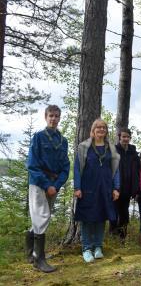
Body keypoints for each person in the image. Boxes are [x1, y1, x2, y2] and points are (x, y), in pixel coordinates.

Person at [26, 105, 70, 272]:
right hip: (38, 183)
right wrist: (46, 184)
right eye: (51, 115)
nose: (54, 118)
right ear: (46, 117)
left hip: (54, 184)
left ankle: (31, 253)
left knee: (41, 218)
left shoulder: (62, 141)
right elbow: (32, 164)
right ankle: (39, 259)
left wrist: (56, 185)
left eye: (56, 116)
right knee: (42, 217)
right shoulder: (38, 137)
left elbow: (66, 166)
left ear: (59, 118)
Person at [74, 119, 120, 263]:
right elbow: (76, 168)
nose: (101, 129)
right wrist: (77, 187)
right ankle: (87, 249)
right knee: (87, 219)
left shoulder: (111, 148)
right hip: (88, 188)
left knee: (101, 217)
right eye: (98, 127)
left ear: (106, 131)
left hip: (105, 188)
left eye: (103, 127)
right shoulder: (84, 147)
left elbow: (116, 169)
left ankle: (98, 247)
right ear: (93, 130)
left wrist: (116, 188)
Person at [112, 128, 141, 240]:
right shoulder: (114, 150)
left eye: (127, 137)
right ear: (119, 137)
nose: (125, 139)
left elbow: (138, 170)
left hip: (128, 188)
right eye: (123, 136)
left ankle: (122, 236)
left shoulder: (133, 153)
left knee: (124, 212)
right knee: (114, 211)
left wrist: (136, 188)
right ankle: (113, 235)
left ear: (130, 138)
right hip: (116, 187)